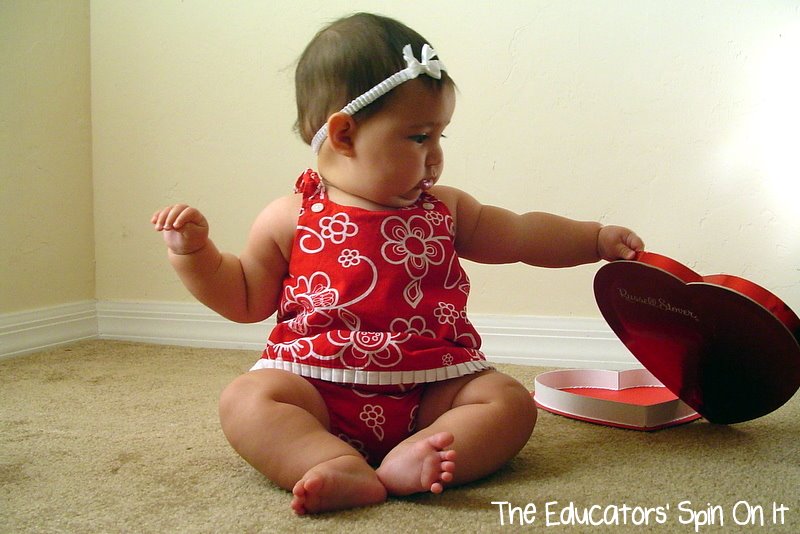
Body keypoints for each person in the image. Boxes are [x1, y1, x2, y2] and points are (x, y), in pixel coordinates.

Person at [151, 13, 644, 515]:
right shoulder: (290, 217)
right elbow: (243, 297)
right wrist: (193, 255)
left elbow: (521, 235)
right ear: (344, 135)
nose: (435, 157)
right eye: (419, 137)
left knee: (508, 402)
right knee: (246, 399)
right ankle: (329, 460)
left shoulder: (446, 209)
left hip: (432, 387)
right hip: (316, 386)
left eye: (440, 137)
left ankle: (416, 455)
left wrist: (593, 240)